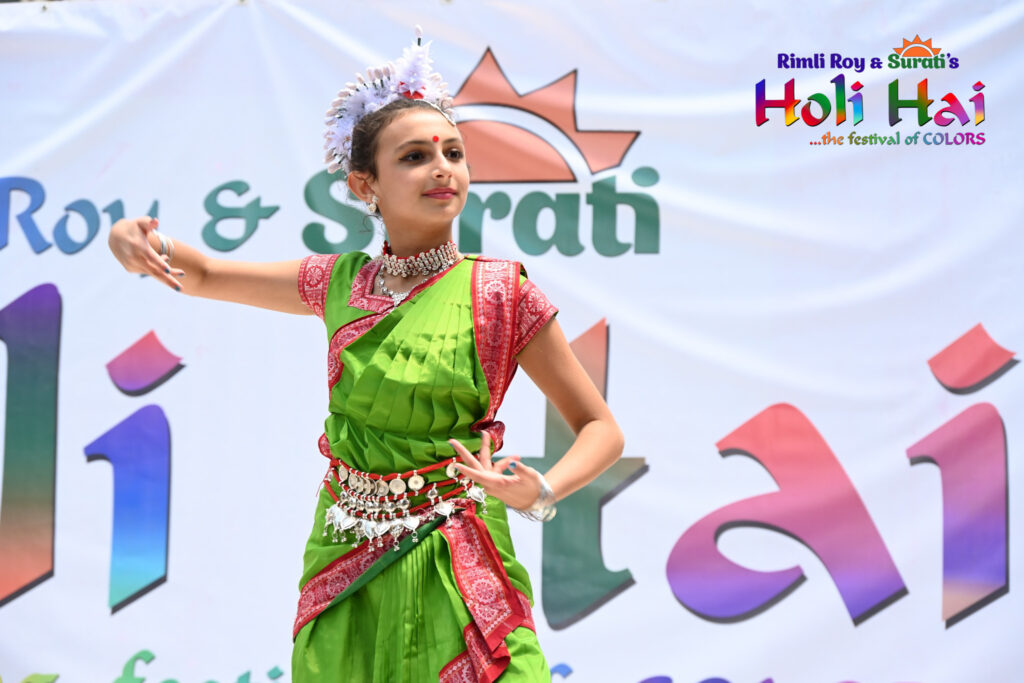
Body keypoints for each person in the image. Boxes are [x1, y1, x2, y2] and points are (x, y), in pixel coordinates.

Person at [108, 28, 623, 682]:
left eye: (454, 153)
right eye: (415, 156)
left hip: (456, 547)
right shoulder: (338, 283)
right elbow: (206, 273)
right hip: (346, 546)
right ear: (364, 184)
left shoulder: (500, 292)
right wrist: (133, 242)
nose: (442, 168)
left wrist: (543, 489)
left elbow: (600, 427)